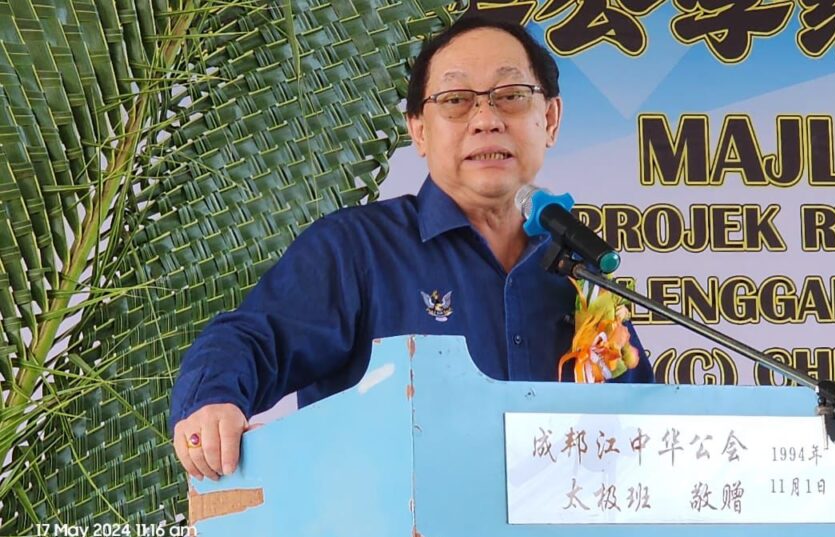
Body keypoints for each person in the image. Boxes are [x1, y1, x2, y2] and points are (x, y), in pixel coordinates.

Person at [169, 16, 655, 481]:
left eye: (510, 96)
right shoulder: (358, 250)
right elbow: (254, 339)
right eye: (456, 100)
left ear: (549, 119)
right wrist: (213, 403)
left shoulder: (579, 274)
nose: (486, 120)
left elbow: (637, 433)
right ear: (419, 130)